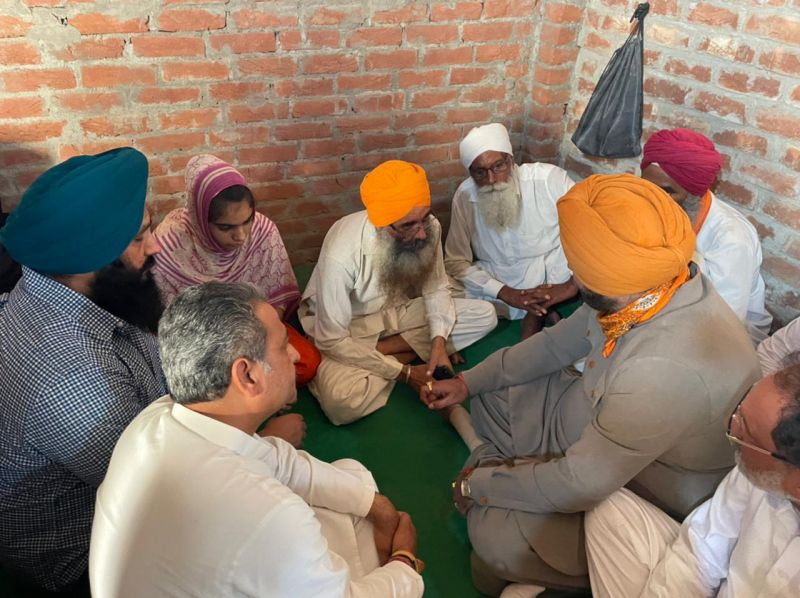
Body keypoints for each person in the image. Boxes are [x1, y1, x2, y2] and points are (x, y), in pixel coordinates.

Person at [422, 174, 761, 595]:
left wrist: (478, 485)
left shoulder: (661, 366)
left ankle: (510, 484)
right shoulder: (648, 284)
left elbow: (583, 483)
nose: (572, 275)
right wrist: (466, 382)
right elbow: (553, 346)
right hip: (601, 432)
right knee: (492, 390)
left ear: (598, 273)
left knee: (492, 541)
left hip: (640, 491)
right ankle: (517, 476)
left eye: (575, 264)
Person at [90, 282, 425, 597]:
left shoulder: (161, 415)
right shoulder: (266, 511)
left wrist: (377, 507)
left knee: (352, 481)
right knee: (348, 528)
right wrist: (404, 562)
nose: (295, 354)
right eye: (282, 346)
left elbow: (279, 460)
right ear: (247, 375)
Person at [0, 148, 167, 592]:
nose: (155, 246)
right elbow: (157, 491)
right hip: (86, 553)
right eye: (139, 236)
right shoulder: (74, 379)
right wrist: (259, 439)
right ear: (89, 258)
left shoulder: (61, 288)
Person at [300, 160, 497, 425]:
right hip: (349, 328)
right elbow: (332, 338)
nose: (419, 233)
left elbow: (436, 287)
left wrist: (438, 346)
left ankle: (380, 353)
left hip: (397, 312)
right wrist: (405, 374)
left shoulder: (428, 228)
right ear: (382, 224)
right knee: (342, 402)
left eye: (424, 218)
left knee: (485, 314)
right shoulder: (342, 252)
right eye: (408, 226)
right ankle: (404, 353)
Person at [584, 362, 800, 598]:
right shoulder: (763, 472)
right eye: (740, 413)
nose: (729, 425)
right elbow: (701, 551)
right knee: (608, 507)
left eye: (745, 429)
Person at [153, 154, 320, 386]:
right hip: (202, 341)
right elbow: (171, 323)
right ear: (200, 217)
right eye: (225, 227)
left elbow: (275, 304)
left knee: (307, 363)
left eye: (247, 221)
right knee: (184, 377)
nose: (241, 236)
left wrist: (254, 346)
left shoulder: (262, 230)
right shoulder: (172, 241)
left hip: (258, 329)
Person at [445, 123, 577, 339]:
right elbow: (455, 261)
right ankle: (541, 311)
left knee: (592, 265)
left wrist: (570, 286)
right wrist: (504, 292)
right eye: (480, 172)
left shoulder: (548, 179)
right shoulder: (465, 195)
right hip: (499, 278)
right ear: (470, 173)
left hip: (553, 272)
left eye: (498, 166)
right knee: (440, 292)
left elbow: (590, 228)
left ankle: (539, 311)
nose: (491, 180)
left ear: (511, 161)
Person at [641, 128, 772, 343]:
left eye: (667, 192)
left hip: (725, 339)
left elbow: (723, 322)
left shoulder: (730, 240)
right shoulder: (658, 208)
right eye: (646, 187)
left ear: (694, 194)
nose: (652, 199)